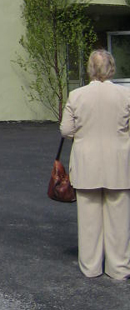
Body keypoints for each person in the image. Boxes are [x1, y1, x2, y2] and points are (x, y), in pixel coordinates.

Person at [60, 49, 130, 281]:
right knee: (119, 220)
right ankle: (118, 268)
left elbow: (66, 130)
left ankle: (90, 267)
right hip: (119, 165)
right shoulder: (126, 95)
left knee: (89, 220)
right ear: (111, 67)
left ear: (90, 68)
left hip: (87, 164)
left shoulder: (76, 95)